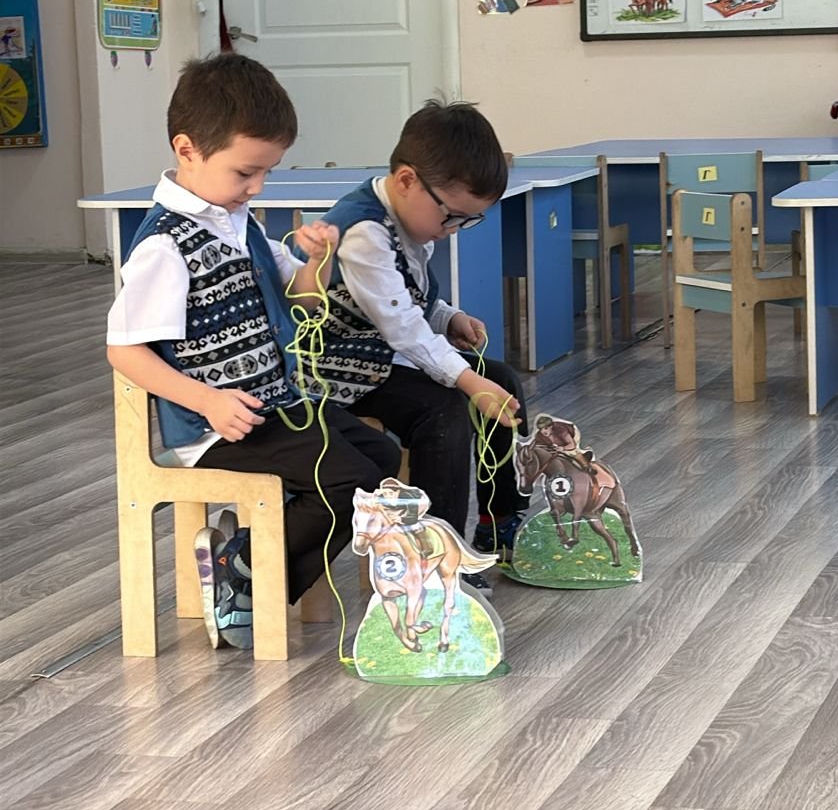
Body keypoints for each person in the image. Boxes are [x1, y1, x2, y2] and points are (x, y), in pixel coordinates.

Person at [106, 53, 400, 649]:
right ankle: (249, 578)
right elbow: (124, 350)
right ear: (187, 150)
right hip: (216, 429)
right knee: (346, 481)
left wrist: (318, 261)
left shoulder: (238, 222)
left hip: (274, 408)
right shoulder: (165, 246)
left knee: (382, 457)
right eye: (246, 171)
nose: (258, 187)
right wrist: (207, 401)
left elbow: (302, 297)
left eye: (267, 171)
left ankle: (244, 563)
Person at [298, 99, 529, 592]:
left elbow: (408, 299)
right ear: (407, 180)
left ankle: (498, 522)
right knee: (444, 410)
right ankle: (431, 562)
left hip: (381, 358)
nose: (452, 231)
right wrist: (467, 380)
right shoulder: (363, 233)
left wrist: (447, 317)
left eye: (466, 221)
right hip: (337, 370)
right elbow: (400, 324)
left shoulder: (410, 218)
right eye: (452, 217)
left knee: (502, 380)